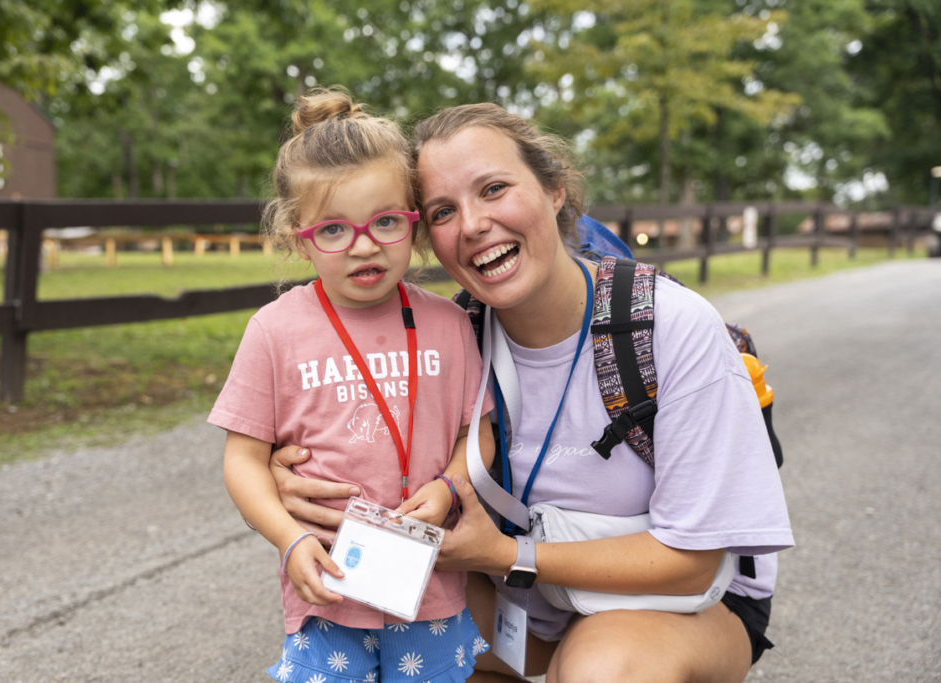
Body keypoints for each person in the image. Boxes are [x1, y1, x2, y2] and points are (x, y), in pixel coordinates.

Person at [271, 102, 794, 683]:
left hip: (676, 603)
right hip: (521, 605)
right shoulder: (448, 337)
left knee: (601, 670)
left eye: (494, 189)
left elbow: (694, 565)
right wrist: (286, 472)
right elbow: (356, 436)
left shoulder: (667, 326)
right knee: (382, 642)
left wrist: (503, 556)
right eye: (444, 210)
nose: (471, 225)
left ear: (555, 190)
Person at [208, 89, 495, 683]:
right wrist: (288, 538)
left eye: (386, 222)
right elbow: (243, 461)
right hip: (327, 586)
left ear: (413, 221)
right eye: (334, 229)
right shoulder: (274, 332)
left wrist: (449, 487)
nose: (364, 245)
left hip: (431, 586)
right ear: (297, 235)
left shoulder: (447, 324)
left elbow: (478, 433)